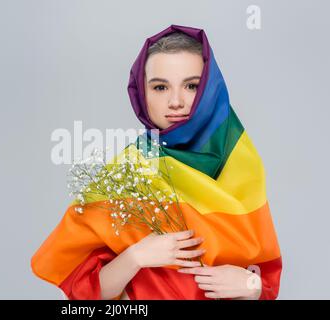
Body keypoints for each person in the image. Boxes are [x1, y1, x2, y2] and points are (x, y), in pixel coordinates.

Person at [31, 24, 282, 300]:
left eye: (192, 86)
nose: (176, 101)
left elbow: (266, 281)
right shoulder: (126, 172)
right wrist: (136, 256)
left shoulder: (241, 161)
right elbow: (85, 295)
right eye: (160, 87)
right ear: (142, 94)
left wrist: (251, 285)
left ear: (211, 89)